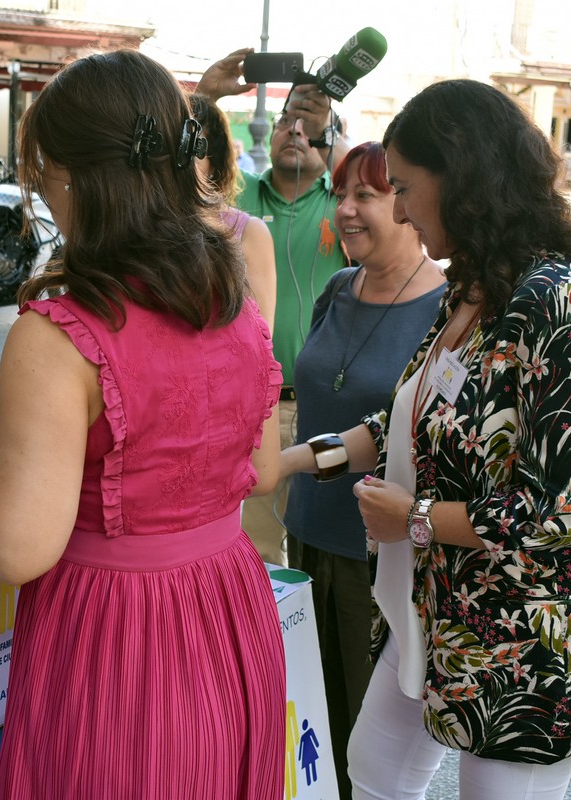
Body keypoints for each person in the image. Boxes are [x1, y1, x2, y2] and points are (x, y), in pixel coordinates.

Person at [0, 48, 287, 799]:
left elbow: (17, 546)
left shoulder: (63, 332)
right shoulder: (231, 297)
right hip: (228, 608)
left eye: (42, 176)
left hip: (117, 633)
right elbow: (262, 472)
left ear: (71, 176)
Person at [281, 79, 571, 799]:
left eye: (406, 187)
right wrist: (289, 462)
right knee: (374, 771)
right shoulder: (471, 292)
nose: (397, 209)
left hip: (531, 639)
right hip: (434, 612)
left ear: (465, 179)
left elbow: (570, 514)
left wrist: (415, 522)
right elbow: (399, 423)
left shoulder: (563, 304)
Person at [284, 141, 446, 797]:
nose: (345, 211)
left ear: (406, 204)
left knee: (366, 741)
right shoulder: (334, 289)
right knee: (306, 718)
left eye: (366, 196)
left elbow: (415, 438)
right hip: (306, 533)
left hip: (381, 555)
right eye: (340, 195)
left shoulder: (449, 309)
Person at [197, 48, 351, 566]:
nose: (294, 131)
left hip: (327, 408)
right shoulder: (240, 211)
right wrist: (206, 95)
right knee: (261, 550)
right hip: (260, 409)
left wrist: (331, 128)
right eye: (286, 121)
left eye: (308, 125)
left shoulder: (342, 205)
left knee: (322, 546)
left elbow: (364, 171)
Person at [188, 92, 276, 328]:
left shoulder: (248, 232)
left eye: (194, 150)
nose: (183, 160)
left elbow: (262, 334)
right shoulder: (145, 222)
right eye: (177, 146)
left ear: (214, 161)